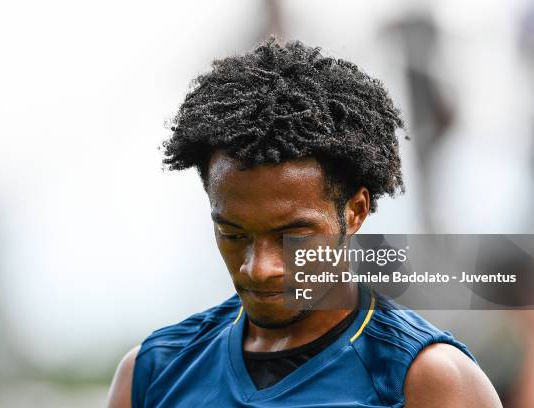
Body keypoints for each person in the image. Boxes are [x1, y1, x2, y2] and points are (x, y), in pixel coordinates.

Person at [107, 38, 501, 407]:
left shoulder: (430, 382)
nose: (259, 268)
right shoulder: (150, 375)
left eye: (292, 235)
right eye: (233, 233)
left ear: (356, 210)